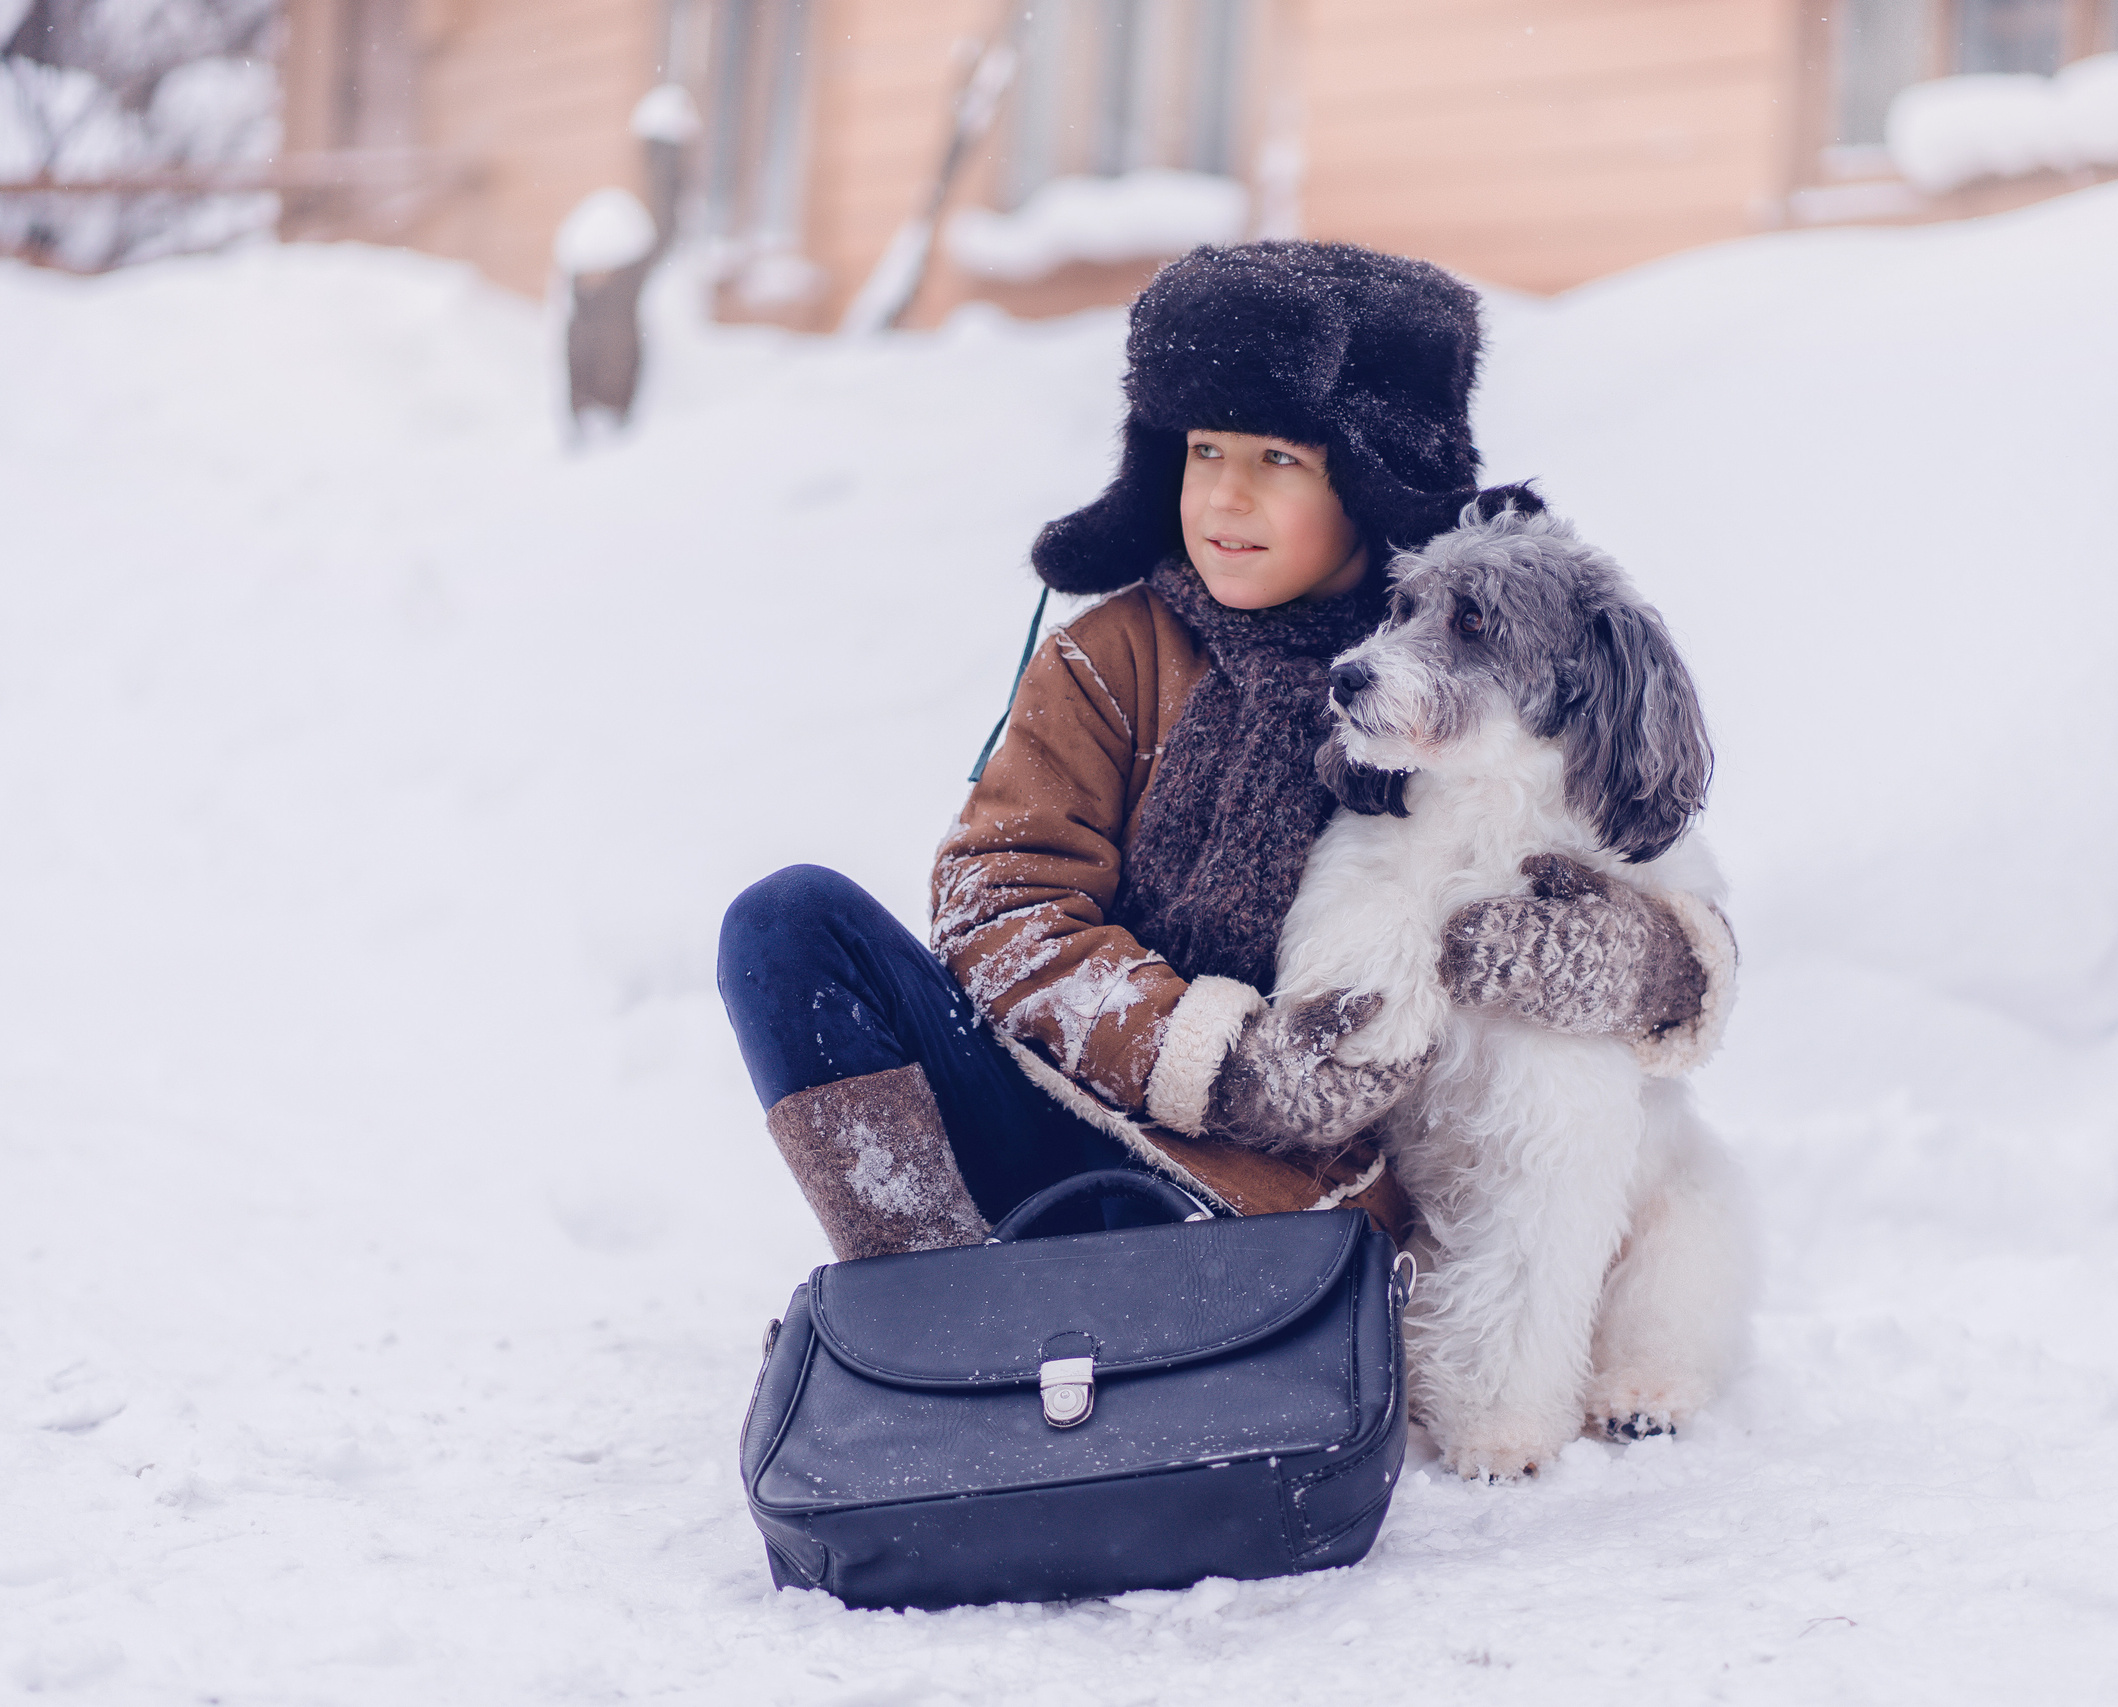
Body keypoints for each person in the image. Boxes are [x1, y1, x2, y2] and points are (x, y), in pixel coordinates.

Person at [716, 240, 1725, 1256]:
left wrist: (1648, 964)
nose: (1225, 497)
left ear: (1369, 482)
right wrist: (1217, 1062)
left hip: (1275, 1194)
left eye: (1277, 459)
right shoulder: (1110, 657)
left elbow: (1629, 830)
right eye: (1203, 452)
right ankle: (928, 1291)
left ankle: (1120, 1295)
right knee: (785, 923)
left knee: (1160, 1247)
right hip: (1054, 1104)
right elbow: (1000, 901)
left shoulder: (1460, 683)